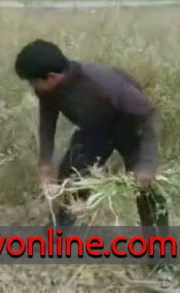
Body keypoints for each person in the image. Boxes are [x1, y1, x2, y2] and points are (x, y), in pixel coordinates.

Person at [13, 39, 168, 229]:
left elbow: (146, 116)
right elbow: (47, 120)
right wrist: (45, 160)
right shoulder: (47, 89)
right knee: (71, 179)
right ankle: (60, 233)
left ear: (52, 77)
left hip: (130, 128)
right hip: (94, 130)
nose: (32, 87)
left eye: (32, 82)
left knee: (147, 190)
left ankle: (161, 254)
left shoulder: (105, 84)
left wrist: (147, 164)